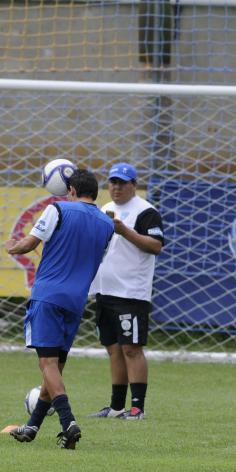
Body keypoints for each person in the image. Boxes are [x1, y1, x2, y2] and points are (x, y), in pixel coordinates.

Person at [5, 168, 114, 450]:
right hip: (76, 301)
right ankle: (32, 427)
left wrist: (12, 247)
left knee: (47, 364)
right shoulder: (106, 224)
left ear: (73, 191)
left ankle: (68, 422)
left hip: (49, 295)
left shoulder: (58, 210)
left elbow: (29, 244)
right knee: (55, 368)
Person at [87, 163, 164, 421]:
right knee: (114, 349)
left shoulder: (146, 212)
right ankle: (117, 406)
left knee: (132, 348)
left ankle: (137, 408)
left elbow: (155, 245)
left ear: (134, 185)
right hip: (104, 290)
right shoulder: (105, 210)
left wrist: (125, 231)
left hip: (131, 292)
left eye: (122, 182)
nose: (116, 187)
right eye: (113, 182)